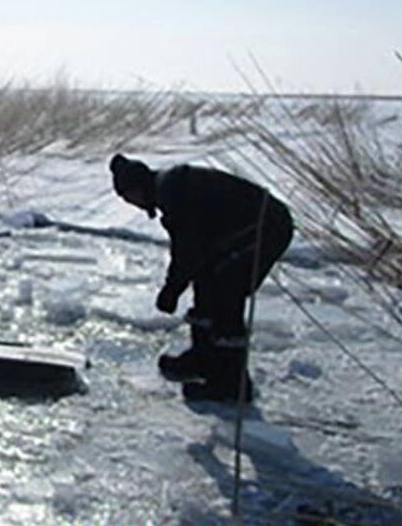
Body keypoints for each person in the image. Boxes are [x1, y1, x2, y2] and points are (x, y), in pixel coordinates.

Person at [109, 154, 293, 403]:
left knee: (227, 292)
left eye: (127, 197)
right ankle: (204, 360)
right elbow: (195, 253)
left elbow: (187, 252)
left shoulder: (174, 193)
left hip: (267, 226)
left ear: (137, 188)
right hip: (246, 229)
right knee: (207, 280)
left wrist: (171, 291)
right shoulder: (170, 187)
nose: (131, 204)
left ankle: (231, 385)